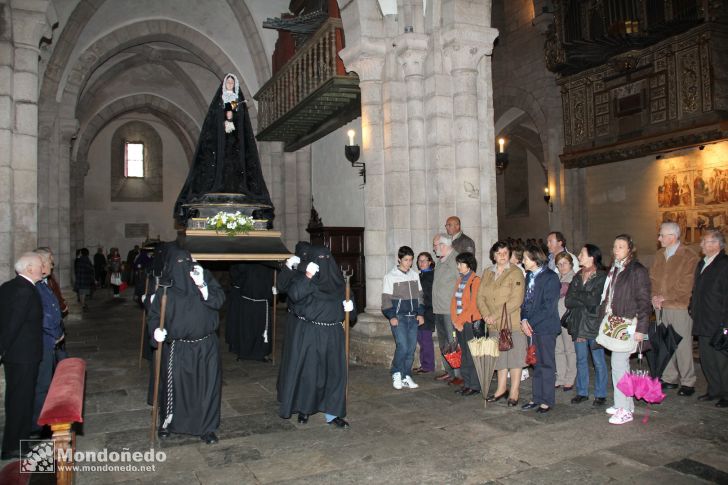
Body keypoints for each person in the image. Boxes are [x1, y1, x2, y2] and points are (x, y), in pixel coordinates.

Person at [148, 244, 225, 444]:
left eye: (187, 262)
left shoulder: (203, 277)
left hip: (206, 346)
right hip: (178, 348)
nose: (184, 267)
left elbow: (218, 301)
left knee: (206, 388)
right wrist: (156, 330)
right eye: (178, 263)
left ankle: (206, 427)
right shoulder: (166, 288)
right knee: (175, 387)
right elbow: (155, 316)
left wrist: (202, 286)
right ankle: (168, 423)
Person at [174, 73, 273, 225]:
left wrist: (233, 114)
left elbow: (243, 126)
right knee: (221, 161)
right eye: (228, 82)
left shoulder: (238, 101)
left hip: (235, 141)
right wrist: (225, 117)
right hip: (220, 142)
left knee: (235, 163)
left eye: (232, 83)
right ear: (225, 84)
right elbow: (213, 124)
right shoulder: (219, 102)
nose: (230, 85)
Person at [277, 245, 354, 428]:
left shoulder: (338, 281)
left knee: (334, 375)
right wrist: (308, 276)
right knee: (310, 374)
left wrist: (351, 307)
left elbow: (349, 299)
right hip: (311, 333)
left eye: (327, 258)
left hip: (334, 333)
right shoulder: (306, 280)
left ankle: (333, 413)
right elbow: (294, 294)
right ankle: (305, 409)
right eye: (319, 259)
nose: (324, 262)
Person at [599, 234, 651, 425]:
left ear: (630, 248)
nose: (616, 250)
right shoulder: (616, 268)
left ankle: (624, 409)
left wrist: (641, 329)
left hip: (629, 323)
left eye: (621, 246)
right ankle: (625, 404)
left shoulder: (637, 270)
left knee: (619, 365)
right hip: (616, 322)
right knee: (619, 365)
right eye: (614, 246)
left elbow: (644, 301)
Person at [0, 253, 44, 460]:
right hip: (22, 356)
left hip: (20, 355)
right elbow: (11, 325)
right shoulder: (24, 291)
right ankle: (14, 446)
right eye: (39, 265)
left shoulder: (9, 286)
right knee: (20, 400)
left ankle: (20, 439)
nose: (42, 268)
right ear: (29, 269)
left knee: (19, 399)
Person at [649, 221, 699, 396]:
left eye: (661, 235)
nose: (659, 238)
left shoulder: (689, 256)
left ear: (672, 236)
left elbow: (687, 282)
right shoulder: (659, 255)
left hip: (679, 306)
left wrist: (667, 297)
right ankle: (669, 377)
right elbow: (653, 278)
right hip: (660, 306)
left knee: (682, 344)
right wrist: (654, 296)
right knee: (664, 341)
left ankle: (688, 381)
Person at [477, 241, 525, 405]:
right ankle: (501, 389)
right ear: (493, 255)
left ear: (510, 254)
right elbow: (480, 296)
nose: (502, 256)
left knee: (514, 358)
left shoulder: (515, 272)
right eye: (498, 253)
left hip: (511, 323)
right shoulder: (487, 272)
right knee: (500, 359)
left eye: (505, 253)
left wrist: (494, 315)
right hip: (493, 324)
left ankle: (514, 391)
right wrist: (485, 315)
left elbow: (516, 300)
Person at [565, 244, 608, 406]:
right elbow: (569, 300)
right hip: (578, 323)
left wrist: (579, 296)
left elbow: (595, 299)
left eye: (582, 253)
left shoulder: (601, 276)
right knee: (581, 360)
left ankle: (601, 393)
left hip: (594, 324)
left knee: (598, 361)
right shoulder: (577, 276)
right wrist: (584, 297)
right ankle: (582, 392)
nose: (579, 256)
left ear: (592, 257)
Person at [689, 229, 728, 407]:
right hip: (703, 318)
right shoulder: (702, 263)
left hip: (718, 320)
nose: (701, 244)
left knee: (722, 361)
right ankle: (714, 390)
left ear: (715, 244)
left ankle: (726, 394)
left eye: (704, 241)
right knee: (707, 358)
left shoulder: (724, 264)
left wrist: (725, 323)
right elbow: (697, 290)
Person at [520, 245, 561, 413]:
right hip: (530, 325)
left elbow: (548, 306)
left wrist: (530, 323)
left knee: (546, 364)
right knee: (535, 363)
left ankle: (547, 400)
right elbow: (525, 300)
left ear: (535, 259)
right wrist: (523, 318)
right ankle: (537, 397)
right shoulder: (529, 275)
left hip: (545, 326)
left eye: (525, 258)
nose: (523, 261)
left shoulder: (551, 277)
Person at [30, 249, 64, 437]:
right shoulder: (36, 287)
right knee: (42, 385)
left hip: (52, 340)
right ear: (40, 264)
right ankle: (38, 426)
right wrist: (55, 333)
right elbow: (44, 316)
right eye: (50, 260)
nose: (52, 264)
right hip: (45, 341)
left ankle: (45, 419)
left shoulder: (43, 284)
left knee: (50, 382)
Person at [382, 246, 425, 390]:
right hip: (399, 317)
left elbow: (420, 297)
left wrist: (420, 313)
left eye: (411, 260)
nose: (409, 263)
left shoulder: (414, 275)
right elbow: (386, 300)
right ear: (399, 259)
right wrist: (391, 316)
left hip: (413, 317)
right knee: (403, 346)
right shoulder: (390, 276)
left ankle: (406, 375)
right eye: (406, 260)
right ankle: (396, 373)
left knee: (411, 348)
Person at [227, 263, 275, 362]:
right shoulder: (245, 261)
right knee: (246, 328)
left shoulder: (269, 261)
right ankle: (244, 352)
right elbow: (235, 274)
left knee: (261, 329)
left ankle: (260, 353)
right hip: (246, 300)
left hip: (262, 301)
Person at [449, 252, 482, 396]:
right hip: (459, 323)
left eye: (461, 263)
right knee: (463, 355)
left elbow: (473, 305)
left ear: (469, 264)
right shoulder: (460, 280)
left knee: (471, 355)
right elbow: (454, 302)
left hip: (469, 322)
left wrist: (460, 321)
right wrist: (454, 320)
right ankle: (466, 383)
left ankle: (474, 385)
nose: (458, 266)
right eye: (458, 263)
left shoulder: (475, 280)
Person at [432, 233, 461, 385]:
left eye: (435, 245)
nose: (434, 248)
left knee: (453, 341)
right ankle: (449, 371)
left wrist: (459, 308)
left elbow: (461, 283)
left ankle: (458, 374)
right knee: (444, 343)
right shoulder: (440, 260)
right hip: (439, 308)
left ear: (443, 245)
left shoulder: (456, 260)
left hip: (450, 310)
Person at [554, 252, 577, 391]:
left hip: (567, 318)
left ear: (571, 264)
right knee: (558, 349)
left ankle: (570, 377)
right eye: (559, 264)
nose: (562, 267)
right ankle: (560, 376)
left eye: (565, 263)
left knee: (569, 349)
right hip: (556, 318)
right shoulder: (556, 278)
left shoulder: (574, 278)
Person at [413, 252, 435, 374]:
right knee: (421, 338)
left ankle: (428, 365)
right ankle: (424, 364)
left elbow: (428, 295)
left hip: (428, 311)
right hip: (420, 310)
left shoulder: (431, 275)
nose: (421, 263)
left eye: (424, 260)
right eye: (419, 261)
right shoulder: (420, 275)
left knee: (425, 339)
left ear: (430, 262)